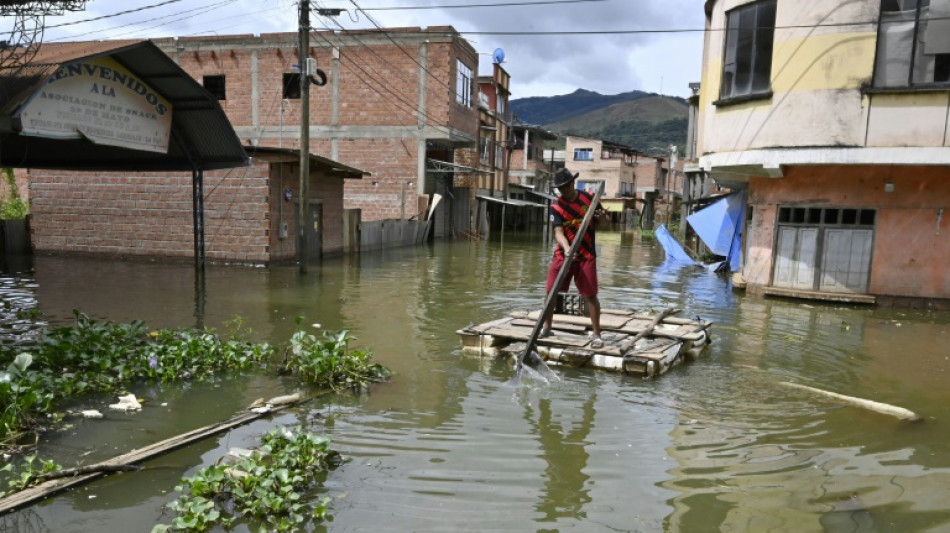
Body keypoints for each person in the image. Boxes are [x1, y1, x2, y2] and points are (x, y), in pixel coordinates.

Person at [541, 168, 606, 348]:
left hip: (586, 255)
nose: (564, 191)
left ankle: (596, 334)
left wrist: (602, 218)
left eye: (566, 186)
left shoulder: (590, 198)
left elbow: (604, 223)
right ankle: (547, 327)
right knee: (550, 292)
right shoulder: (556, 206)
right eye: (560, 188)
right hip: (564, 254)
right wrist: (567, 248)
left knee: (590, 295)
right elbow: (558, 232)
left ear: (572, 183)